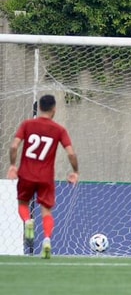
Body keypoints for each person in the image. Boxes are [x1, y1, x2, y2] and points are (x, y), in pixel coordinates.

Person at [6, 94, 79, 259]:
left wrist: (12, 165)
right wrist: (75, 171)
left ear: (39, 108)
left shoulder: (27, 124)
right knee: (46, 211)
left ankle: (27, 222)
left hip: (26, 174)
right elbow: (71, 153)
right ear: (54, 109)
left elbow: (13, 146)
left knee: (23, 203)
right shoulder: (59, 130)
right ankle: (46, 240)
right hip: (46, 177)